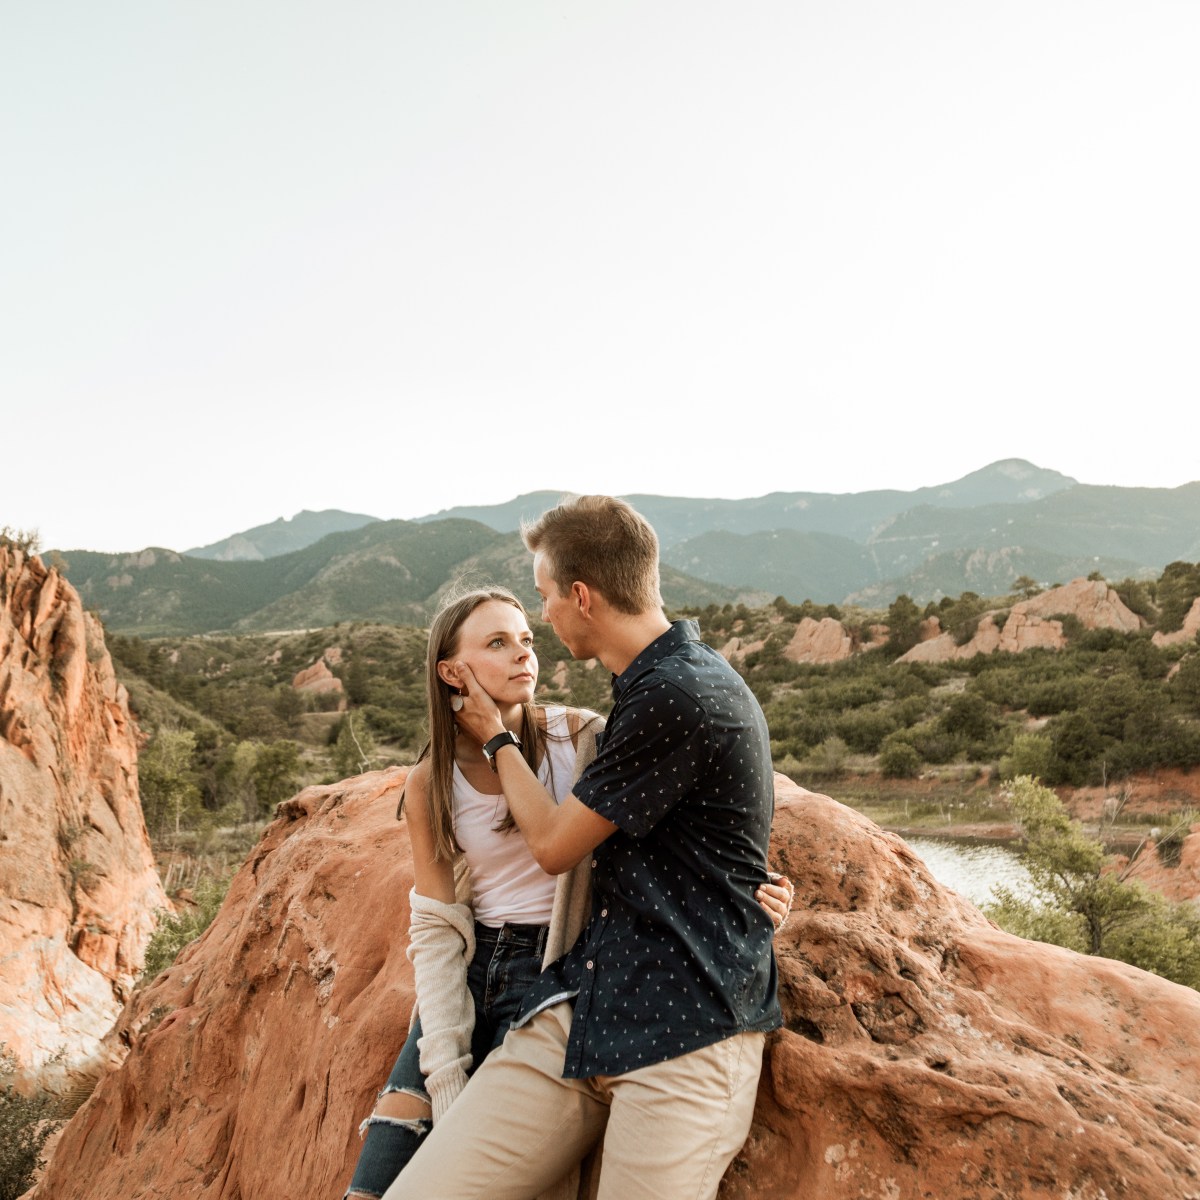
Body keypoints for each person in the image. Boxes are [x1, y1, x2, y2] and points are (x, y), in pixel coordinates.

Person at [381, 495, 784, 1200]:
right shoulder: (643, 688)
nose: (543, 620)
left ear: (581, 595)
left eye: (543, 600)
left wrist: (496, 737)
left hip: (684, 1031)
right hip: (582, 1005)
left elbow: (555, 845)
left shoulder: (679, 692)